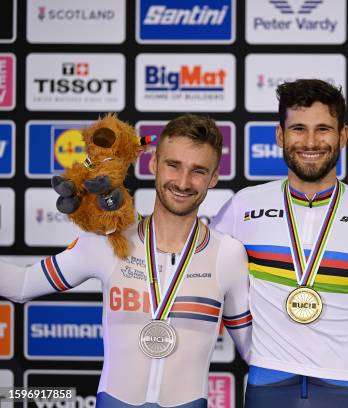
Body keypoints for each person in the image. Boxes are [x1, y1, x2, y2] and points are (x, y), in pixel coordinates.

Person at [0, 114, 252, 407]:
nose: (183, 182)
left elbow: (254, 352)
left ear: (214, 178)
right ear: (153, 163)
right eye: (173, 165)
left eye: (198, 171)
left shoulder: (227, 255)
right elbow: (21, 285)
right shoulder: (109, 240)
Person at [212, 79, 348, 407]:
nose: (310, 141)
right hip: (268, 382)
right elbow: (200, 272)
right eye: (298, 129)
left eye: (323, 129)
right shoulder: (242, 208)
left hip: (345, 386)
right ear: (280, 135)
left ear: (343, 136)